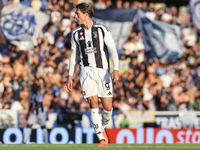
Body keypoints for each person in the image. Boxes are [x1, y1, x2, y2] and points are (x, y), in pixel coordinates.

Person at [67, 3, 119, 147]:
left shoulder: (101, 29)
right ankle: (101, 138)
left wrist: (116, 69)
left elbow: (113, 50)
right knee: (93, 103)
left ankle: (102, 128)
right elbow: (73, 55)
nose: (75, 16)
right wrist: (70, 75)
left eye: (77, 13)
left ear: (86, 14)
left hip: (103, 72)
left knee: (108, 108)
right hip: (86, 72)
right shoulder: (76, 33)